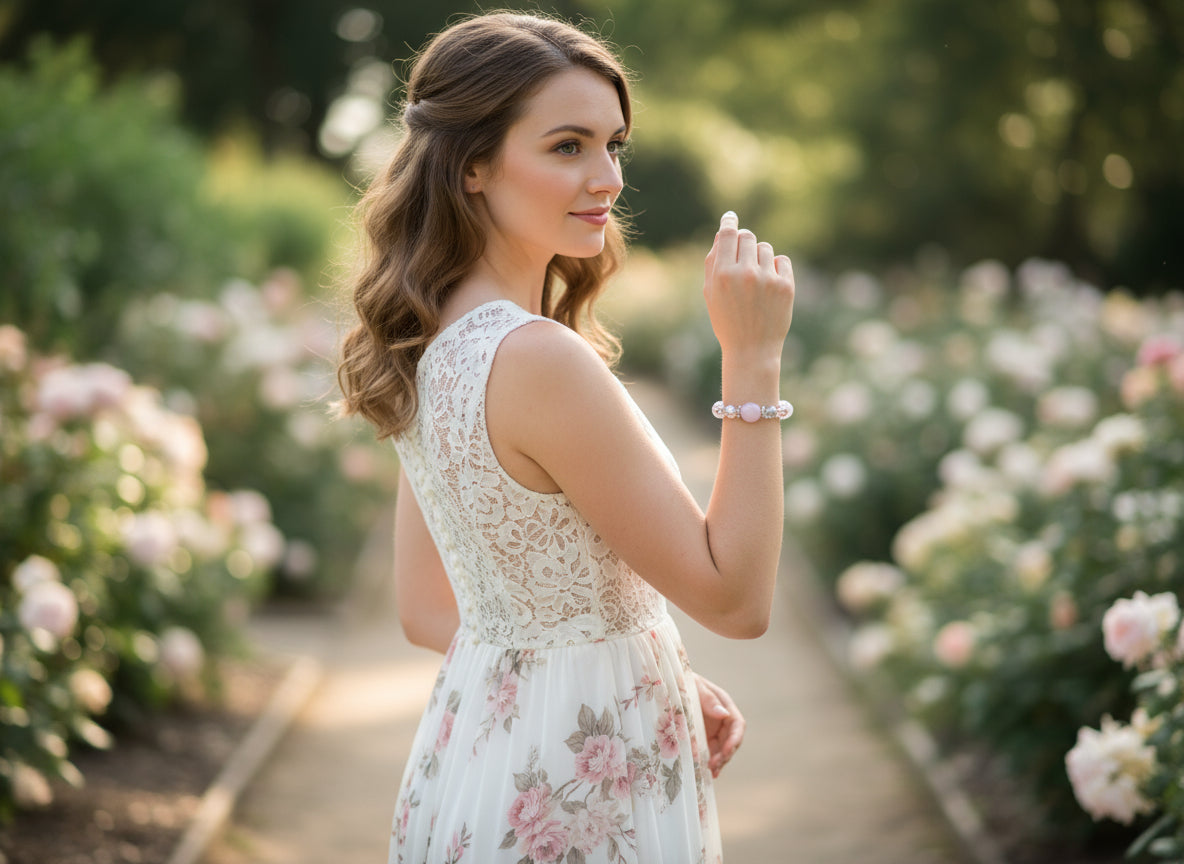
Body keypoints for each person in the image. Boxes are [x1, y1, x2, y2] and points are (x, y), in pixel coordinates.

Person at [337, 11, 795, 863]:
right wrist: (753, 360)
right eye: (568, 147)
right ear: (472, 165)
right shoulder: (539, 358)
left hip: (479, 762)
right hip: (574, 799)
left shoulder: (431, 343)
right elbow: (738, 599)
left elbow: (428, 609)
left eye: (614, 145)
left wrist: (647, 676)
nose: (609, 177)